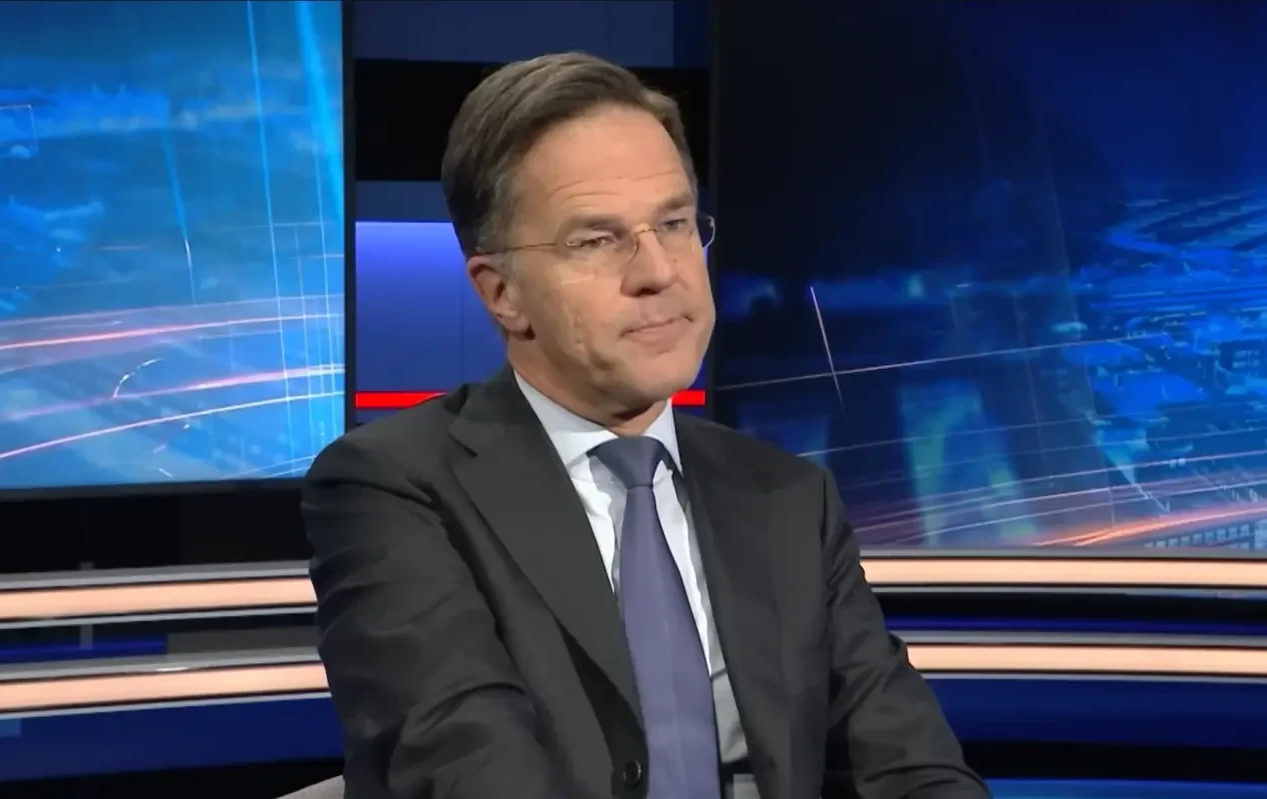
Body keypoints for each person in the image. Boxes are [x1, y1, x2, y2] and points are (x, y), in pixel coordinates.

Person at [303, 52, 990, 799]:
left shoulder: (789, 496)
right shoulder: (393, 489)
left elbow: (909, 766)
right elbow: (469, 769)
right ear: (502, 294)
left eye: (675, 223)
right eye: (597, 240)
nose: (659, 271)